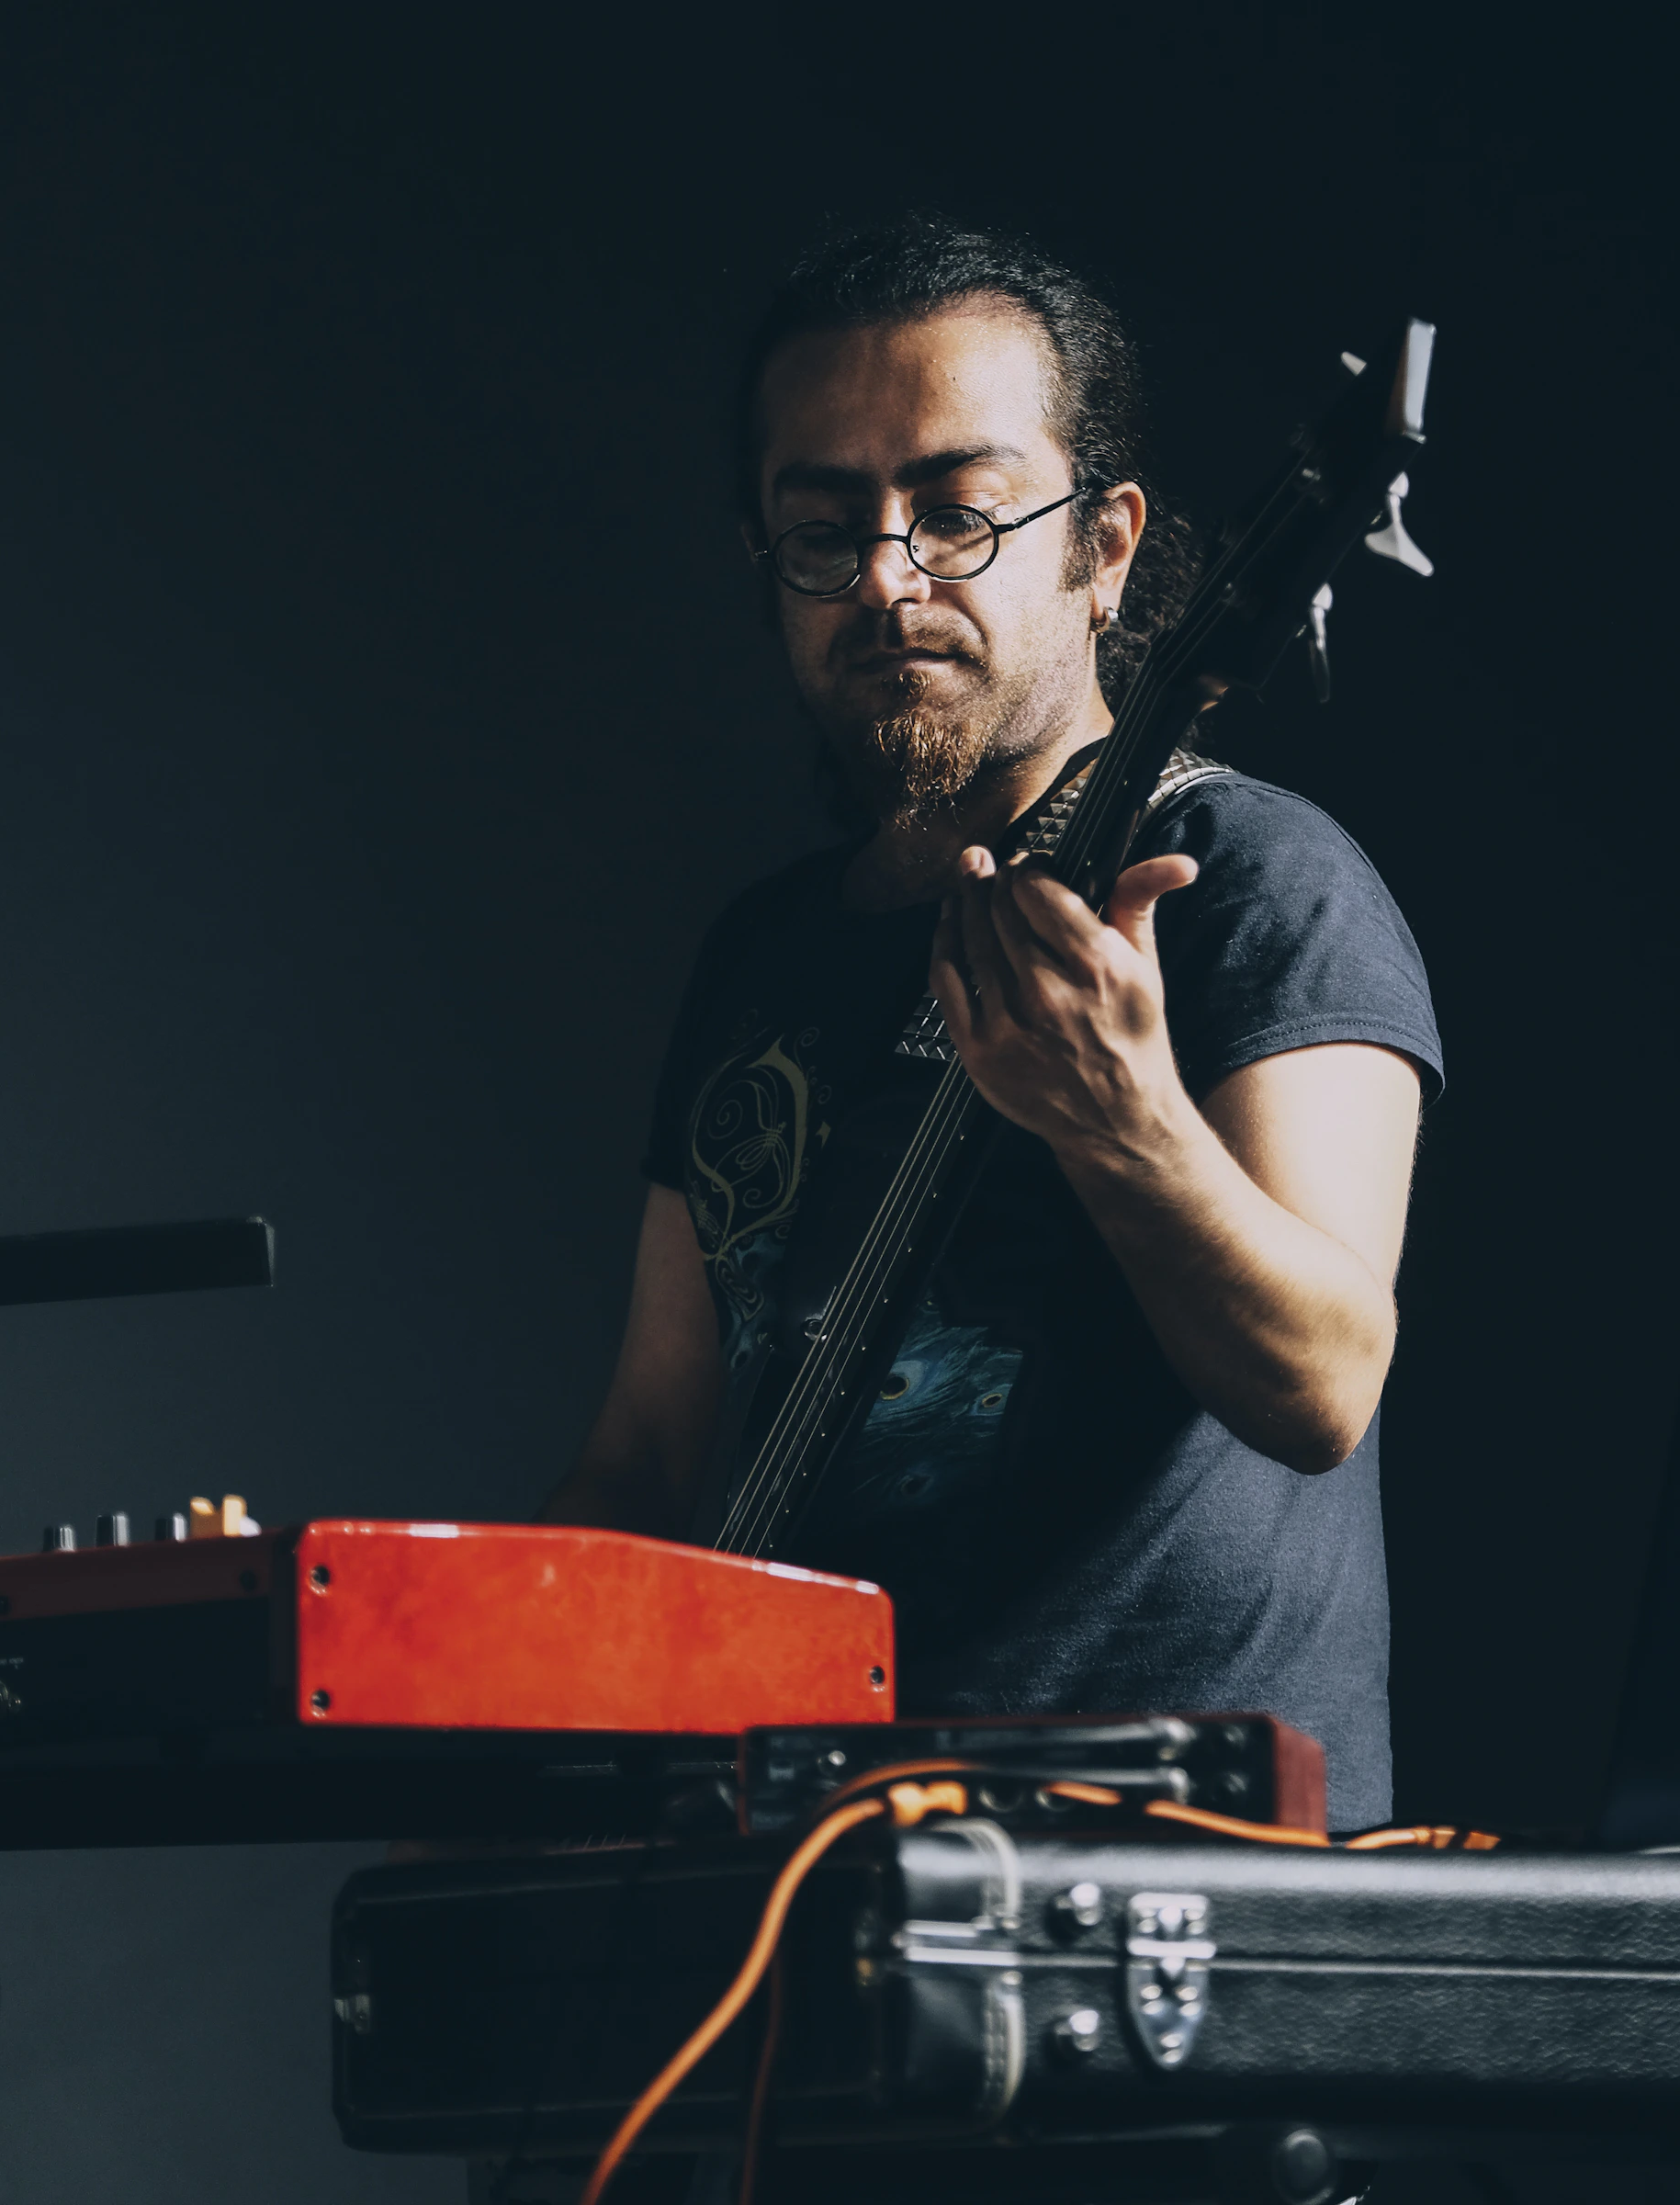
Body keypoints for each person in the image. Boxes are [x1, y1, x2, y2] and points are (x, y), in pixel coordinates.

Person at [542, 217, 1441, 1832]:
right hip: (802, 1881)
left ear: (1103, 549)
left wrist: (1122, 1119)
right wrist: (479, 1738)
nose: (891, 580)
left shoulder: (1256, 884)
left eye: (959, 515)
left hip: (1171, 1907)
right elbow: (653, 1450)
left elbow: (1321, 1381)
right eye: (826, 530)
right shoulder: (764, 953)